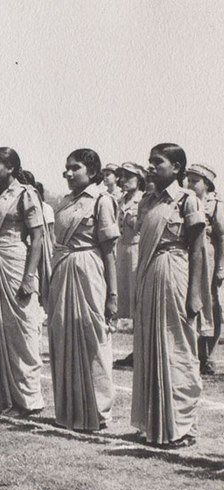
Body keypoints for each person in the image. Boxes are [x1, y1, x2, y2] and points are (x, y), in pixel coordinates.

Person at [131, 143, 204, 448]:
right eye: (149, 161)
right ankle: (154, 424)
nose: (150, 166)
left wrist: (195, 294)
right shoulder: (147, 200)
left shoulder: (187, 200)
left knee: (177, 348)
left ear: (176, 168)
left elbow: (198, 250)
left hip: (175, 273)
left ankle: (182, 426)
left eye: (157, 162)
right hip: (149, 275)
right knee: (151, 345)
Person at [48, 149, 119, 431]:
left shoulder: (102, 200)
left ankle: (97, 411)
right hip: (63, 268)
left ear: (91, 171)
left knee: (92, 338)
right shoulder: (65, 202)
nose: (68, 173)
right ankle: (70, 409)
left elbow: (110, 251)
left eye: (75, 168)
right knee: (64, 334)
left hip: (89, 269)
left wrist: (112, 295)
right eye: (66, 168)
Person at [0, 147, 49, 417]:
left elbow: (38, 238)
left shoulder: (25, 194)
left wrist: (30, 276)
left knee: (21, 331)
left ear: (10, 167)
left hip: (16, 263)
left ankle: (28, 400)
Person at [185, 163, 224, 375]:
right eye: (188, 179)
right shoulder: (185, 201)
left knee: (211, 304)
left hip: (208, 256)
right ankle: (192, 352)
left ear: (207, 183)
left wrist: (220, 267)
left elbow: (222, 236)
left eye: (194, 180)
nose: (189, 184)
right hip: (190, 255)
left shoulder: (214, 203)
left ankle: (208, 355)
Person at [113, 162, 145, 341]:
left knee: (137, 299)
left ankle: (140, 347)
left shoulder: (143, 200)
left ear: (139, 179)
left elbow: (141, 226)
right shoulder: (119, 200)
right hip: (122, 250)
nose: (123, 180)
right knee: (125, 299)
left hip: (136, 249)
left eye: (128, 176)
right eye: (122, 176)